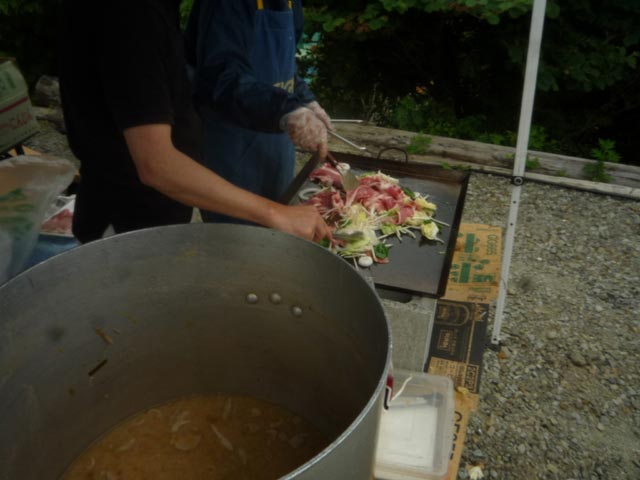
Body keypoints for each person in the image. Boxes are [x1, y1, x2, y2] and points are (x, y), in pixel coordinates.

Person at [58, 0, 331, 244]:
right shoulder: (132, 14)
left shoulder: (156, 11)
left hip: (160, 211)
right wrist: (275, 213)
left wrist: (304, 101)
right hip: (125, 224)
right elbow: (156, 165)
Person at [185, 0, 332, 223]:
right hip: (232, 151)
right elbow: (222, 77)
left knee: (278, 229)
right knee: (237, 239)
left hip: (276, 150)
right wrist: (287, 109)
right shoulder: (226, 5)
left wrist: (307, 101)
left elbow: (286, 67)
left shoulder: (291, 3)